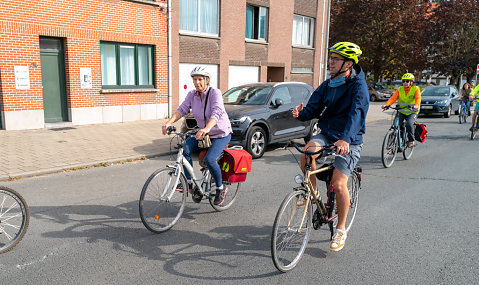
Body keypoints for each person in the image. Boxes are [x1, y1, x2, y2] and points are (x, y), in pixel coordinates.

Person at [292, 42, 369, 252]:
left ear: (348, 63)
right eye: (331, 58)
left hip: (350, 139)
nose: (331, 62)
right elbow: (315, 106)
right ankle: (313, 193)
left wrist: (345, 139)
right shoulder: (329, 84)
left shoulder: (358, 86)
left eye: (336, 59)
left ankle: (341, 230)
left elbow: (357, 115)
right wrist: (302, 114)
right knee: (308, 152)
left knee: (338, 183)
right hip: (327, 133)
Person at [162, 66, 232, 206]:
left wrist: (206, 128)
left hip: (220, 133)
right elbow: (182, 109)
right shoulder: (192, 95)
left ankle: (220, 188)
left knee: (210, 159)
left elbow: (217, 113)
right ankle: (188, 183)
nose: (197, 82)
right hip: (203, 133)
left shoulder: (215, 93)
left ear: (207, 80)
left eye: (200, 79)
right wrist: (168, 122)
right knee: (185, 148)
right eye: (195, 79)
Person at [381, 73, 421, 148]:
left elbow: (418, 98)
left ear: (411, 82)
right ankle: (391, 147)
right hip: (401, 111)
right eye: (403, 81)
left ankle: (411, 140)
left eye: (407, 81)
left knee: (409, 124)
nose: (405, 83)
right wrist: (386, 105)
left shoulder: (416, 89)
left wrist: (416, 105)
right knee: (395, 127)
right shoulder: (400, 89)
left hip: (412, 112)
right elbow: (393, 98)